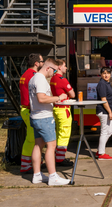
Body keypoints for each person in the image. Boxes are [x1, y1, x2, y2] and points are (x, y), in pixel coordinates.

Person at [28, 58, 70, 186]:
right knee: (51, 146)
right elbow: (41, 98)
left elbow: (39, 98)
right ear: (47, 68)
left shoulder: (33, 78)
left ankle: (37, 175)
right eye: (53, 70)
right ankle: (53, 176)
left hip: (35, 116)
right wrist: (58, 97)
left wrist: (52, 100)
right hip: (44, 117)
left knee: (38, 145)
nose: (54, 73)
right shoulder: (40, 79)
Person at [19, 53, 44, 174]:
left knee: (33, 138)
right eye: (42, 61)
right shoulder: (34, 76)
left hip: (25, 108)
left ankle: (33, 162)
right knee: (31, 139)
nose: (43, 64)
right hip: (30, 110)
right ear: (36, 63)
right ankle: (26, 165)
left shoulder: (25, 74)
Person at [50, 59, 75, 167]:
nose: (66, 68)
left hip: (56, 108)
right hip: (64, 109)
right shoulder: (62, 80)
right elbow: (73, 94)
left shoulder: (53, 79)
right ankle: (60, 159)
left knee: (59, 133)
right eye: (65, 66)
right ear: (59, 67)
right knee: (64, 134)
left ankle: (57, 156)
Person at [95, 67, 112, 160]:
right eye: (104, 73)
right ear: (101, 74)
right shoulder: (102, 84)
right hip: (104, 111)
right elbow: (103, 99)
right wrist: (110, 112)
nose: (106, 75)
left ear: (110, 74)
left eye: (108, 73)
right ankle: (101, 154)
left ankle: (100, 150)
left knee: (110, 131)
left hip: (107, 111)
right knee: (104, 132)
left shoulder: (107, 83)